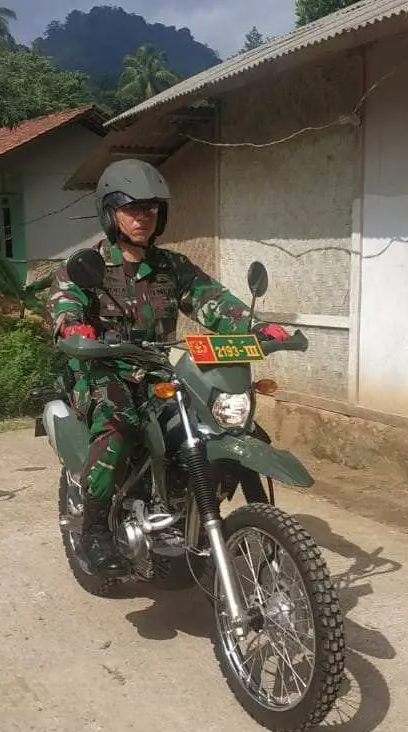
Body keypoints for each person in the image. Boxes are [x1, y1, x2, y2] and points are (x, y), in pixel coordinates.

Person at [44, 159, 290, 576]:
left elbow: (216, 303)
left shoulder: (172, 268)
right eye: (131, 207)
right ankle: (95, 528)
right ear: (110, 212)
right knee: (118, 421)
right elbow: (64, 306)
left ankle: (185, 509)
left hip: (158, 373)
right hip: (102, 373)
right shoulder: (86, 267)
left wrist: (258, 327)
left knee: (217, 420)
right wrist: (74, 326)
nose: (142, 217)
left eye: (151, 208)